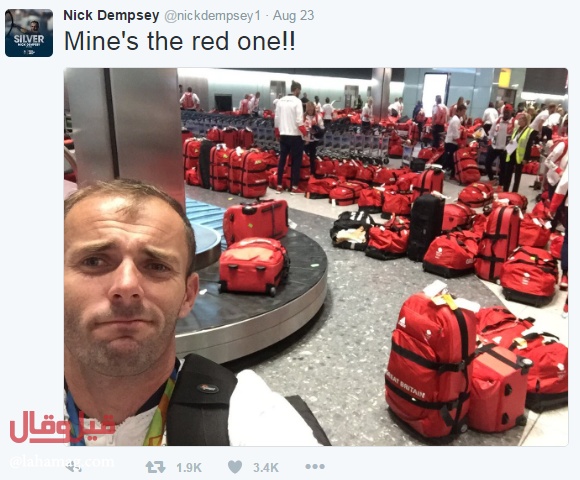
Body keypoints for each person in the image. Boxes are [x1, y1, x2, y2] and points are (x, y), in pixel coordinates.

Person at [63, 179, 323, 446]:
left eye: (156, 266)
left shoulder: (252, 420)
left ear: (188, 295)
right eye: (94, 261)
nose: (127, 285)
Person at [275, 81, 308, 194]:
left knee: (282, 160)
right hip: (295, 136)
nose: (300, 92)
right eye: (300, 90)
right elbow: (299, 121)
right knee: (296, 162)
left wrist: (277, 133)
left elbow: (276, 119)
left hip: (283, 135)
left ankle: (279, 185)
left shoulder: (280, 101)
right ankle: (294, 187)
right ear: (297, 89)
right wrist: (305, 134)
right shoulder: (297, 101)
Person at [502, 113, 533, 193]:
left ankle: (514, 191)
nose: (519, 121)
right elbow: (514, 139)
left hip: (520, 156)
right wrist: (510, 141)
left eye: (521, 119)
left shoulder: (529, 131)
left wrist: (526, 158)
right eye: (519, 119)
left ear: (525, 121)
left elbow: (528, 146)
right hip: (512, 153)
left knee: (517, 176)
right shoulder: (516, 129)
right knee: (508, 173)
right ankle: (505, 190)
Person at [485, 104, 513, 183]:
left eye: (508, 112)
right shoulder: (497, 121)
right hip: (495, 147)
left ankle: (501, 183)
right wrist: (490, 141)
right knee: (487, 162)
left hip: (505, 149)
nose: (506, 114)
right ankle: (491, 178)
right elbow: (491, 132)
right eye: (505, 112)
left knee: (503, 167)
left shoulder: (514, 123)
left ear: (511, 112)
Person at [440, 104, 466, 177]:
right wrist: (460, 143)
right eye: (463, 111)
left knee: (452, 159)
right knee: (448, 159)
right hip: (450, 142)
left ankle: (451, 174)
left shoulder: (458, 119)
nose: (464, 113)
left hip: (453, 142)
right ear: (459, 111)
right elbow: (455, 133)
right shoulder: (455, 120)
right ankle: (442, 173)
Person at [303, 101, 325, 175]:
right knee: (304, 156)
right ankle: (304, 171)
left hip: (314, 140)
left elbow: (322, 127)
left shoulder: (318, 117)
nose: (310, 110)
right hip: (305, 140)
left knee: (312, 156)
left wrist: (316, 128)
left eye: (311, 109)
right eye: (308, 109)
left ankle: (312, 172)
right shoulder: (303, 116)